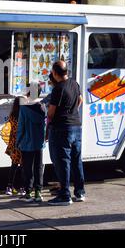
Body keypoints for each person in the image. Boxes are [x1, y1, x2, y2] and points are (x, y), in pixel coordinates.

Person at [47, 61, 85, 206]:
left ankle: (64, 195)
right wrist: (71, 111)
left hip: (62, 128)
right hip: (76, 126)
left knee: (63, 161)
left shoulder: (58, 89)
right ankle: (80, 192)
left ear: (55, 73)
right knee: (76, 160)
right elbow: (80, 100)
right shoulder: (74, 84)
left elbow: (51, 112)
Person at [17, 82, 46, 203]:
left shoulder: (24, 108)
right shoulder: (42, 107)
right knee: (38, 167)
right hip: (38, 143)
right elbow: (44, 126)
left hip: (26, 143)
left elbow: (21, 127)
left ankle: (28, 193)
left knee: (27, 168)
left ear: (29, 93)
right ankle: (38, 193)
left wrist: (18, 141)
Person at [3, 97, 25, 196]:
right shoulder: (23, 115)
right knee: (24, 166)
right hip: (22, 143)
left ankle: (9, 187)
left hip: (13, 143)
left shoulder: (12, 115)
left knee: (14, 165)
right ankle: (22, 188)